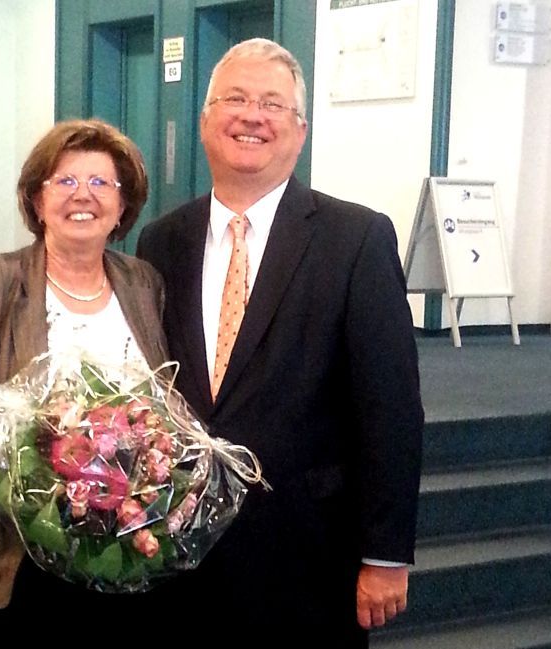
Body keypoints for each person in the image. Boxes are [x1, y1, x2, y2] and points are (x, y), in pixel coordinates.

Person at [137, 38, 424, 645]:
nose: (252, 115)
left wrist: (386, 553)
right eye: (235, 98)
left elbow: (391, 408)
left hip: (308, 551)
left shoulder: (357, 239)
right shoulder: (162, 241)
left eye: (273, 104)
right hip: (178, 553)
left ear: (300, 130)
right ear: (205, 119)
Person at [0, 119, 171, 644]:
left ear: (124, 206)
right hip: (19, 551)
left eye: (102, 183)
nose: (84, 196)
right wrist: (43, 497)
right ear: (37, 201)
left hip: (128, 547)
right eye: (65, 181)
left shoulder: (143, 284)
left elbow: (163, 402)